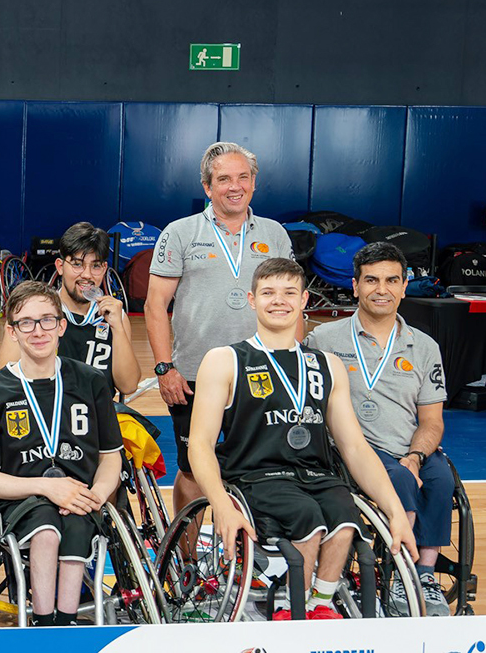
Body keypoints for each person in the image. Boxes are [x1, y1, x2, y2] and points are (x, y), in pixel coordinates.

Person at [189, 258, 418, 620]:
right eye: (268, 292)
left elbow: (354, 447)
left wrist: (395, 512)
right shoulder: (225, 359)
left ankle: (319, 605)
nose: (278, 301)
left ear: (304, 300)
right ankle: (287, 607)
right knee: (308, 519)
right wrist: (219, 503)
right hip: (256, 476)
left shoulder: (327, 364)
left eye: (289, 293)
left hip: (314, 474)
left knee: (345, 519)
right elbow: (199, 444)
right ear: (251, 299)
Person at [305, 242, 452, 615]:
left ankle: (425, 575)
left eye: (391, 280)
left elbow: (432, 420)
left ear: (404, 286)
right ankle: (400, 575)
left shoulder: (424, 347)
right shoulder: (324, 340)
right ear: (355, 286)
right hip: (354, 449)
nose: (381, 289)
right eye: (371, 280)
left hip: (409, 446)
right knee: (398, 480)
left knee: (442, 479)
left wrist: (417, 456)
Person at [146, 143, 293, 511]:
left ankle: (252, 558)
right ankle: (186, 561)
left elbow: (291, 306)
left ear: (254, 184)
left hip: (263, 373)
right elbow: (154, 305)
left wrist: (293, 366)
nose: (235, 186)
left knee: (264, 469)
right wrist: (165, 368)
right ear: (207, 187)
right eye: (224, 178)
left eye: (243, 177)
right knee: (195, 468)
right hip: (194, 376)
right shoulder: (179, 232)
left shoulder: (274, 234)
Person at [0, 281, 122, 626]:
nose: (38, 331)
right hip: (22, 499)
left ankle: (64, 621)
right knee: (46, 528)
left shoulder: (91, 380)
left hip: (81, 497)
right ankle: (42, 621)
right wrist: (47, 487)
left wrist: (95, 496)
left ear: (61, 325)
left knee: (77, 524)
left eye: (47, 320)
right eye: (26, 322)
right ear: (11, 331)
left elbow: (111, 456)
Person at [0, 222, 138, 397]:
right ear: (60, 266)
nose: (87, 275)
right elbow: (3, 382)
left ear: (104, 269)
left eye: (95, 266)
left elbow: (129, 386)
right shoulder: (33, 314)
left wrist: (118, 328)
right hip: (48, 416)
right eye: (77, 264)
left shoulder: (115, 317)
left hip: (97, 418)